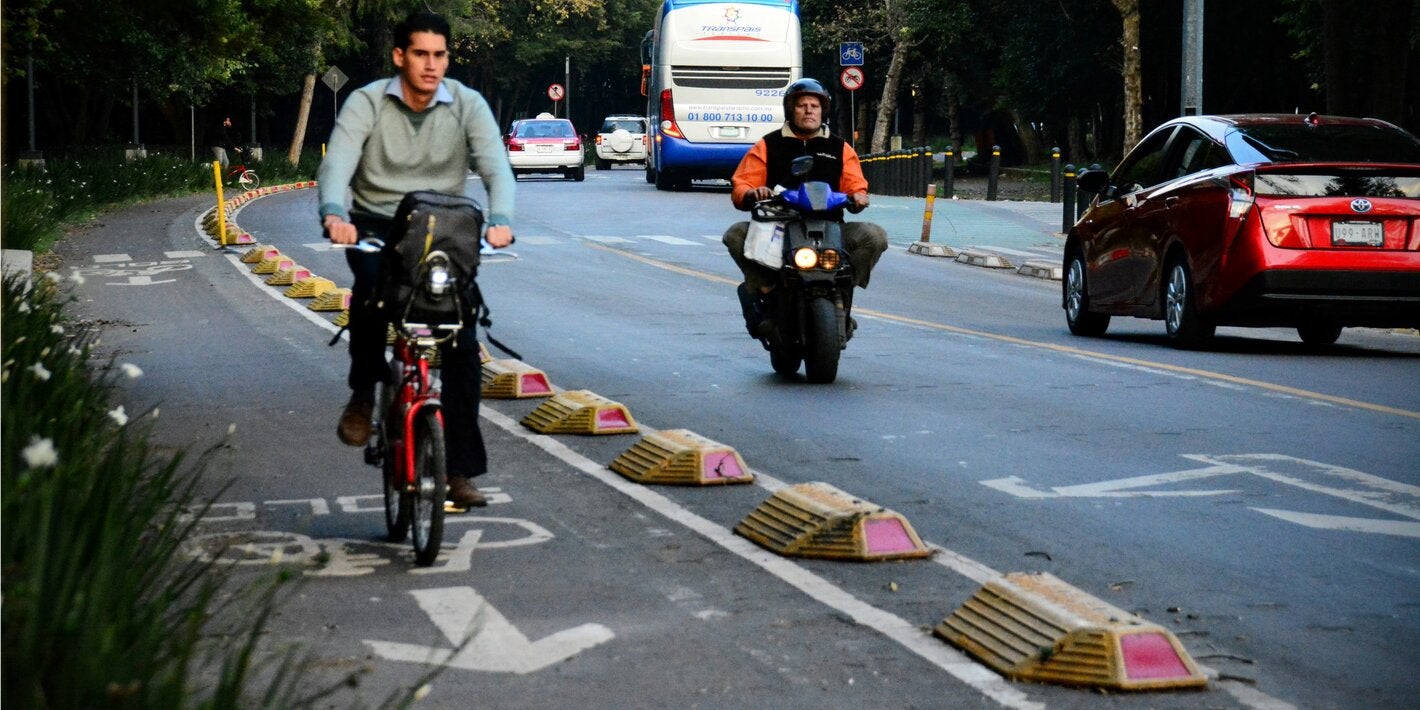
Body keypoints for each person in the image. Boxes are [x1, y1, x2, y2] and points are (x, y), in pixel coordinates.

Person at [317, 11, 515, 508]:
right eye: (421, 54)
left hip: (443, 225)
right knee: (370, 296)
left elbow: (496, 166)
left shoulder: (466, 104)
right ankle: (364, 393)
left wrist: (501, 218)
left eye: (440, 55)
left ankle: (461, 471)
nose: (431, 65)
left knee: (463, 342)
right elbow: (338, 160)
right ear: (400, 56)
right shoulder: (368, 101)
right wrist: (334, 211)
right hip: (376, 225)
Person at [722, 78, 888, 337]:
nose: (809, 110)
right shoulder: (768, 144)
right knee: (735, 234)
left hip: (830, 227)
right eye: (802, 105)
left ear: (823, 111)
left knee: (874, 236)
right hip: (778, 227)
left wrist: (858, 196)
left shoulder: (840, 148)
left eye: (814, 105)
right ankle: (767, 291)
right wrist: (752, 192)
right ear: (791, 110)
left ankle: (842, 292)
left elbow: (856, 184)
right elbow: (742, 184)